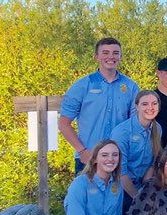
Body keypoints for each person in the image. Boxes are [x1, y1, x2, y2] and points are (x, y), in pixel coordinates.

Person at [59, 37, 139, 171]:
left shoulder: (131, 87)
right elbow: (63, 123)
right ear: (96, 57)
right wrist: (82, 151)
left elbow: (135, 124)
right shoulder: (82, 86)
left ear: (120, 56)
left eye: (115, 53)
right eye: (105, 53)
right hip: (89, 159)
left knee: (118, 193)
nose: (111, 57)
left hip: (119, 159)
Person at [110, 90, 162, 204]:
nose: (150, 107)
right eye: (144, 104)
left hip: (143, 186)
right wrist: (138, 199)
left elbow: (155, 158)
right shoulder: (122, 133)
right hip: (120, 189)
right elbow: (120, 173)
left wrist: (148, 179)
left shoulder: (157, 128)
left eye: (154, 103)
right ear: (136, 107)